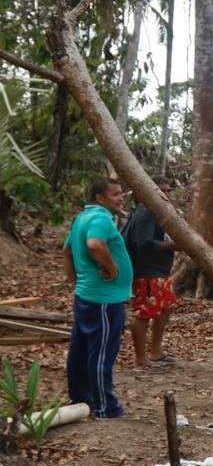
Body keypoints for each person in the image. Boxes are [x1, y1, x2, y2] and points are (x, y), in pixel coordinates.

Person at [62, 178, 133, 418]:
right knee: (101, 351)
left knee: (81, 348)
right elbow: (94, 244)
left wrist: (76, 280)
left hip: (88, 294)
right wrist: (112, 267)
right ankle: (105, 407)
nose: (121, 197)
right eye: (116, 194)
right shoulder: (101, 218)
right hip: (104, 298)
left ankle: (82, 399)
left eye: (121, 192)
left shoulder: (81, 218)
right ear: (101, 198)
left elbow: (68, 249)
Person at [124, 177, 179, 371]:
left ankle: (156, 352)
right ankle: (140, 359)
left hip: (160, 272)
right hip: (147, 272)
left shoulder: (157, 212)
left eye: (168, 190)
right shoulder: (147, 211)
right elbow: (144, 243)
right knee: (144, 313)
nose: (165, 195)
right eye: (160, 190)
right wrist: (175, 245)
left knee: (164, 309)